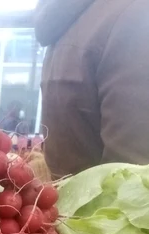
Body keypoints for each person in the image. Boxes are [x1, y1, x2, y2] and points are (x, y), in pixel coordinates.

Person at [35, 0, 149, 178]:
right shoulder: (134, 14)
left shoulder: (70, 23)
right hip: (101, 202)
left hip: (69, 200)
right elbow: (135, 183)